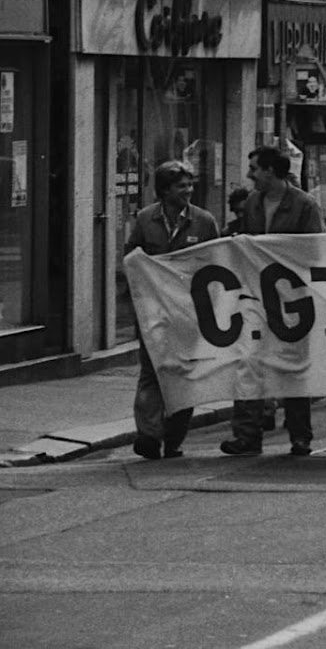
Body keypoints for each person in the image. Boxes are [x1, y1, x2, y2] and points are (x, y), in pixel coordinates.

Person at [221, 146, 326, 457]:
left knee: (293, 367)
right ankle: (247, 435)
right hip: (257, 298)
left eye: (254, 168)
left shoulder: (304, 205)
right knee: (249, 364)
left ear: (270, 171)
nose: (250, 174)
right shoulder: (253, 202)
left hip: (292, 301)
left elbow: (316, 249)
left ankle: (300, 435)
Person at [125, 160, 220, 460]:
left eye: (190, 185)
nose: (188, 191)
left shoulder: (204, 222)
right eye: (182, 186)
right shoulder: (144, 219)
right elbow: (132, 259)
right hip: (153, 312)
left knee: (183, 373)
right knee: (152, 371)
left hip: (189, 313)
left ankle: (174, 438)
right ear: (165, 191)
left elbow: (216, 264)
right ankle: (149, 435)